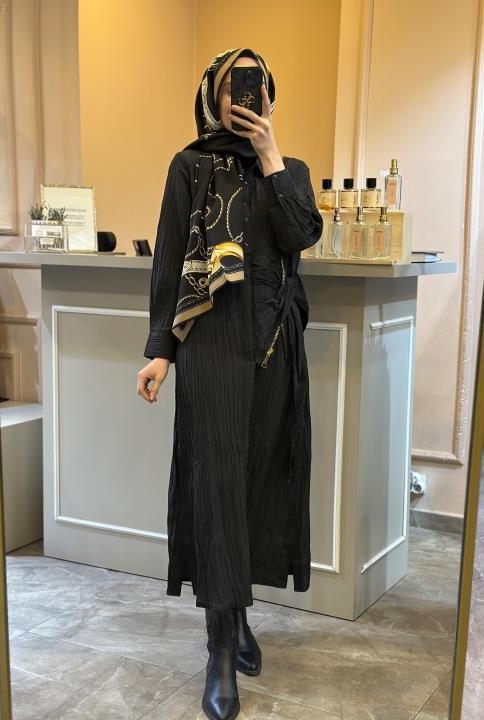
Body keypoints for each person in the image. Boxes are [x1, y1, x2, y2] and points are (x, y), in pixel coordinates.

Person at [137, 47, 322, 720]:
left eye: (255, 84)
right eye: (232, 84)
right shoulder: (188, 167)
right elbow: (168, 263)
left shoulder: (290, 169)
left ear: (269, 95)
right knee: (216, 489)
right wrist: (161, 351)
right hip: (213, 348)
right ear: (212, 96)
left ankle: (239, 613)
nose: (244, 95)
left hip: (275, 350)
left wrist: (270, 156)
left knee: (255, 487)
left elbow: (302, 234)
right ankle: (219, 646)